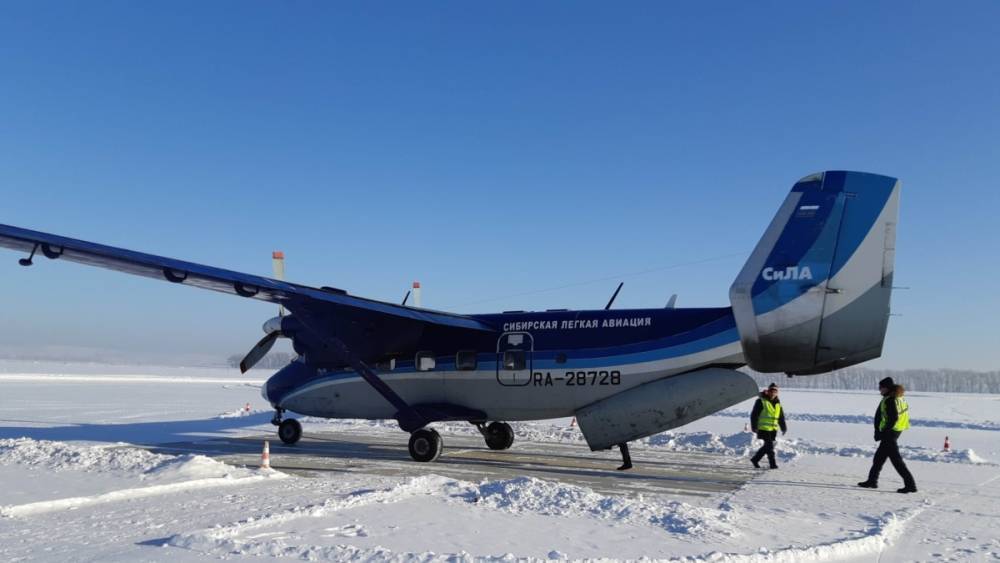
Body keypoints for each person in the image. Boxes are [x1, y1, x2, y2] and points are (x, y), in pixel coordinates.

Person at [858, 377, 918, 493]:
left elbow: (893, 418)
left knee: (897, 461)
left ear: (887, 388)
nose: (879, 390)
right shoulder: (898, 398)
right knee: (879, 458)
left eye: (881, 387)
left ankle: (910, 485)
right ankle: (872, 481)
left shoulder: (890, 400)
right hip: (895, 431)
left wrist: (884, 430)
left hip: (890, 433)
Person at [750, 383, 787, 469]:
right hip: (763, 428)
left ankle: (755, 459)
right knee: (770, 447)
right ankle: (772, 464)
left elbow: (781, 417)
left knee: (767, 446)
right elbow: (754, 415)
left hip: (773, 429)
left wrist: (783, 427)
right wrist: (754, 426)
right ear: (768, 391)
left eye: (775, 391)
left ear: (777, 392)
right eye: (771, 391)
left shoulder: (778, 403)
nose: (773, 393)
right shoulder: (761, 401)